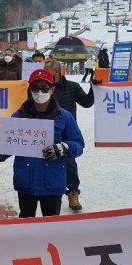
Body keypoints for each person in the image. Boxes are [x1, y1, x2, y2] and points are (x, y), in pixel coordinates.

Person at [7, 69, 84, 218]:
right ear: (30, 89)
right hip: (26, 181)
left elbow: (78, 144)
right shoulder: (18, 116)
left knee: (51, 224)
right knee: (26, 221)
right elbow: (9, 143)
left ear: (52, 90)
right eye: (35, 88)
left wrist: (65, 147)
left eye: (44, 88)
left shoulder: (64, 117)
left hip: (52, 182)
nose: (40, 92)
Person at [45, 59, 94, 211]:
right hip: (44, 130)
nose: (45, 75)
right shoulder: (41, 87)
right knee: (45, 161)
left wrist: (94, 88)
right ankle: (48, 192)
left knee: (69, 163)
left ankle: (73, 192)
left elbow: (87, 102)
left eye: (48, 72)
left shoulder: (72, 87)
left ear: (57, 72)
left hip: (67, 131)